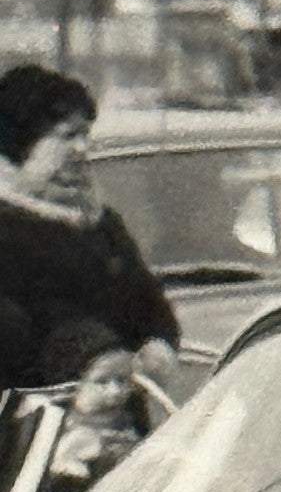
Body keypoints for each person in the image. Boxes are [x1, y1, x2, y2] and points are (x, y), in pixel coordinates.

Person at [0, 65, 179, 395]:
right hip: (35, 424)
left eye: (85, 135)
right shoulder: (7, 226)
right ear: (21, 141)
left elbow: (149, 302)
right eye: (67, 136)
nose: (82, 149)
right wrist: (93, 353)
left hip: (116, 405)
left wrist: (157, 342)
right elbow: (23, 329)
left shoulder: (100, 222)